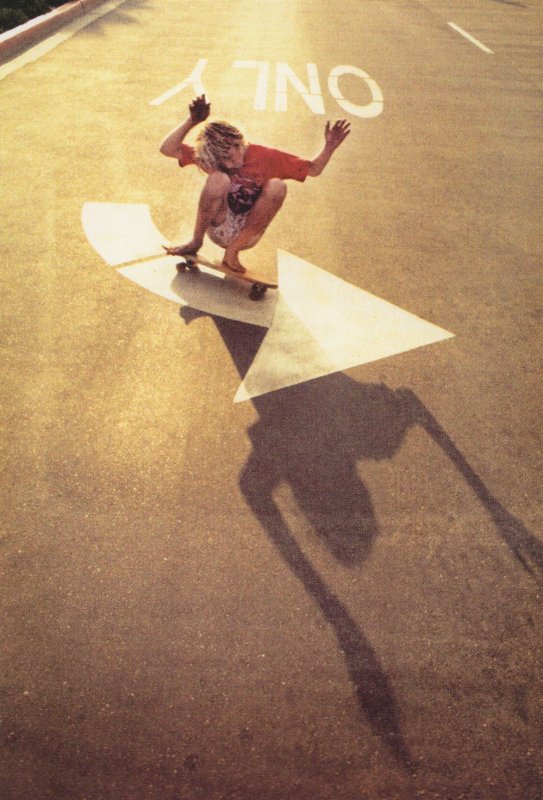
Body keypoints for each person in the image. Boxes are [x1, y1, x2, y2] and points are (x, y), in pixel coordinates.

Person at [160, 95, 350, 273]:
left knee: (278, 186)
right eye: (222, 159)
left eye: (231, 153)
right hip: (219, 225)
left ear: (238, 143)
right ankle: (195, 241)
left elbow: (314, 169)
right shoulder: (212, 158)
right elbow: (167, 149)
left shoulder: (266, 156)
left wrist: (329, 147)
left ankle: (232, 252)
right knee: (219, 179)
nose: (229, 162)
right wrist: (191, 121)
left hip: (248, 233)